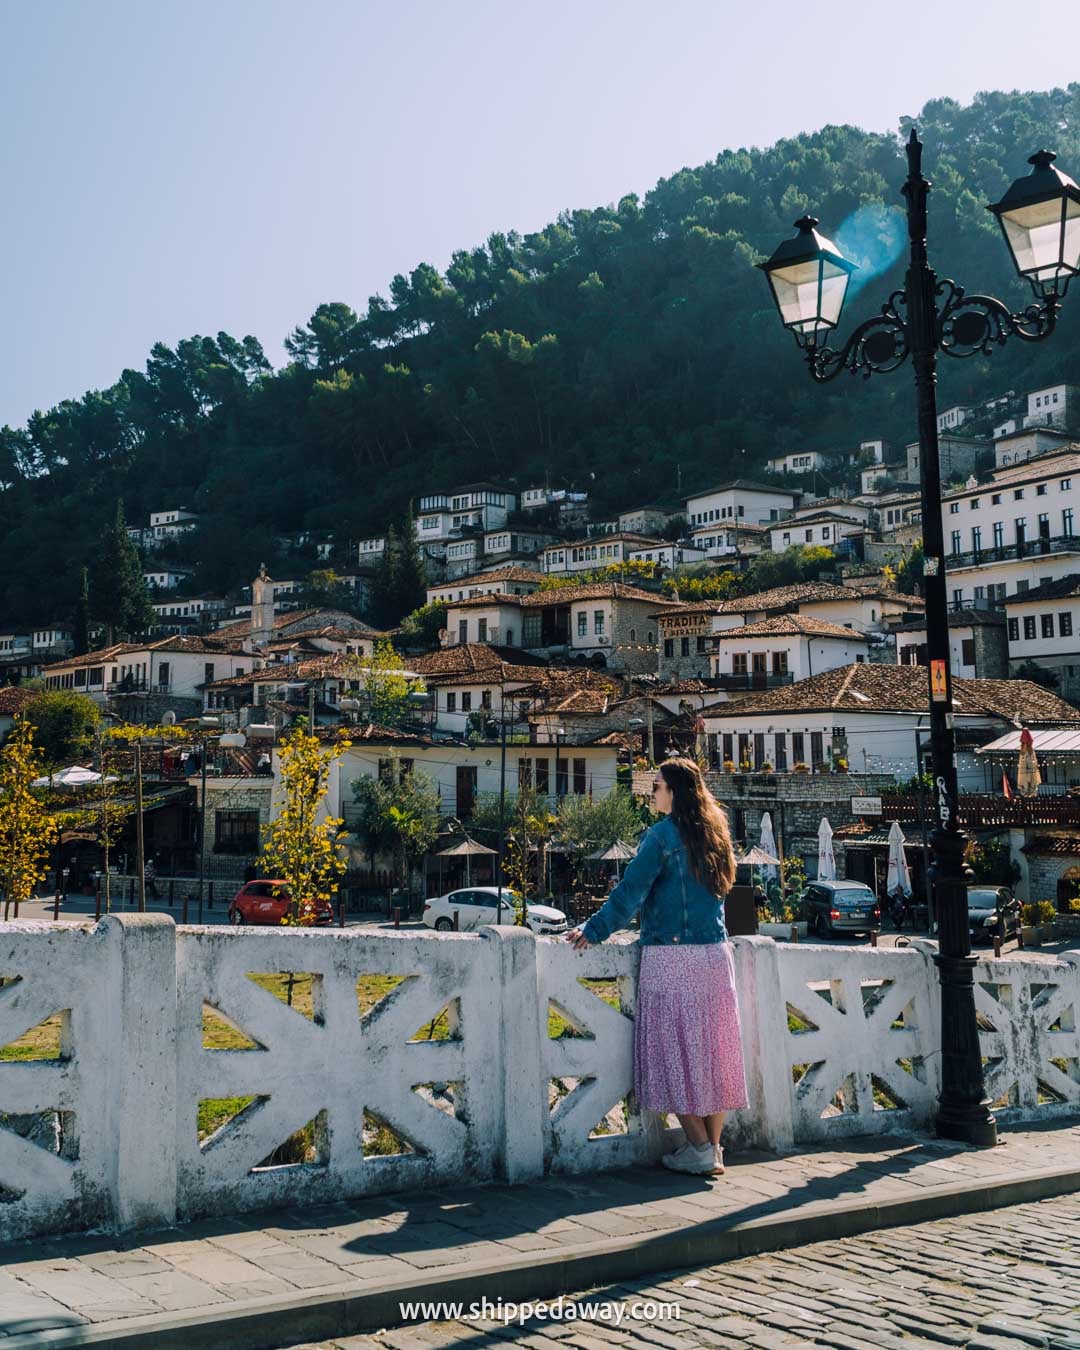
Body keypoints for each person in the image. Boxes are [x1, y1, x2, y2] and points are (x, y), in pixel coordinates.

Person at [567, 757, 748, 1177]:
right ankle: (713, 1148)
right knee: (711, 1052)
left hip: (672, 956)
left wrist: (594, 930)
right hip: (716, 956)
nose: (653, 794)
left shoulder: (661, 837)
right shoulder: (717, 836)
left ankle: (699, 1147)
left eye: (658, 787)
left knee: (674, 1052)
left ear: (675, 792)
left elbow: (630, 893)